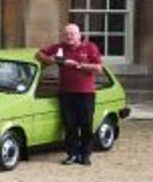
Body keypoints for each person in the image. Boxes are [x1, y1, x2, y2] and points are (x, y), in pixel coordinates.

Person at [36, 23, 103, 166]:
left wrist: (77, 65)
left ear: (79, 35)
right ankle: (72, 154)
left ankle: (85, 155)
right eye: (66, 34)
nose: (69, 37)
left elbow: (98, 68)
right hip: (65, 93)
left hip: (85, 93)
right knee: (69, 125)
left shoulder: (90, 47)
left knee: (86, 125)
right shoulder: (59, 47)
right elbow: (39, 53)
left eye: (72, 34)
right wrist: (49, 60)